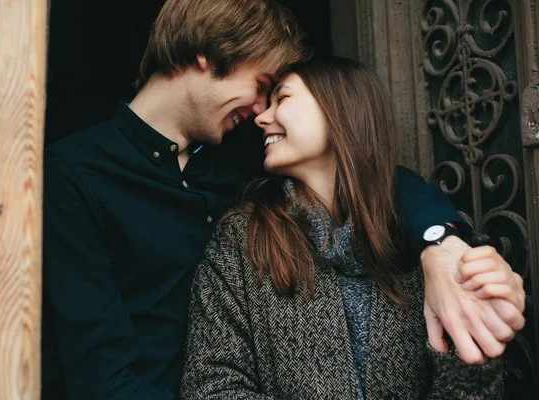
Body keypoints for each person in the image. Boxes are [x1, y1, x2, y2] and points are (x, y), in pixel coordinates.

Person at [41, 1, 525, 399]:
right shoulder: (75, 173)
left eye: (276, 97)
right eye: (261, 87)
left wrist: (442, 245)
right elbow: (98, 371)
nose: (260, 114)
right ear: (210, 54)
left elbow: (367, 178)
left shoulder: (235, 172)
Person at [180, 57, 524, 399]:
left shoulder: (429, 245)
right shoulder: (241, 241)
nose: (262, 117)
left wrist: (478, 327)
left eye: (282, 99)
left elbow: (473, 389)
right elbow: (212, 386)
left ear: (339, 110)